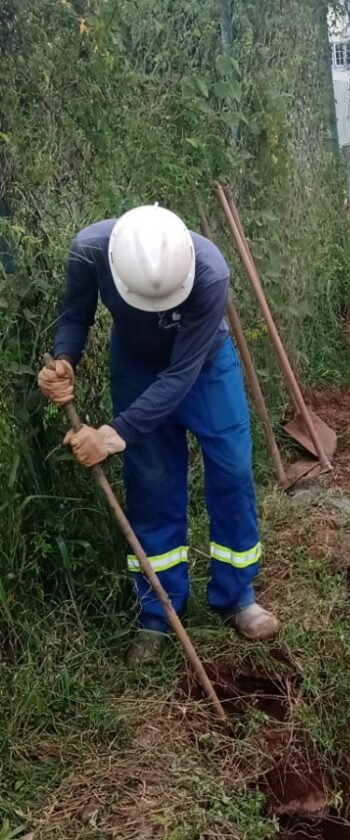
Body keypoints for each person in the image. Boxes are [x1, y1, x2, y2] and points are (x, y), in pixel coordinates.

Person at [37, 204, 280, 664]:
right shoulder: (90, 251)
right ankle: (159, 611)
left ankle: (237, 595)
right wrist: (64, 358)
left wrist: (111, 434)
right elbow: (74, 315)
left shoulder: (209, 271)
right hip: (135, 368)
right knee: (151, 483)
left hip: (203, 368)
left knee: (231, 470)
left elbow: (181, 375)